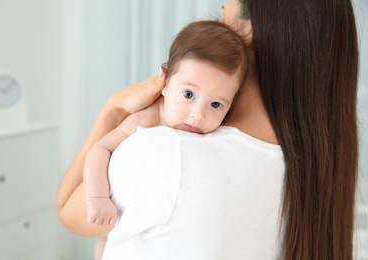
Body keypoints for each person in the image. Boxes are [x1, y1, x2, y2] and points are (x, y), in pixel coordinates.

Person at [56, 0, 359, 259]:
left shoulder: (166, 152)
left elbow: (68, 210)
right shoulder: (318, 168)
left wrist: (114, 108)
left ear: (251, 27)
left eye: (221, 15)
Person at [83, 20, 249, 259]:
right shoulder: (144, 120)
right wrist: (97, 198)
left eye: (216, 104)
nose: (198, 114)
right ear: (165, 83)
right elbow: (99, 150)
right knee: (104, 240)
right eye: (189, 94)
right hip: (114, 211)